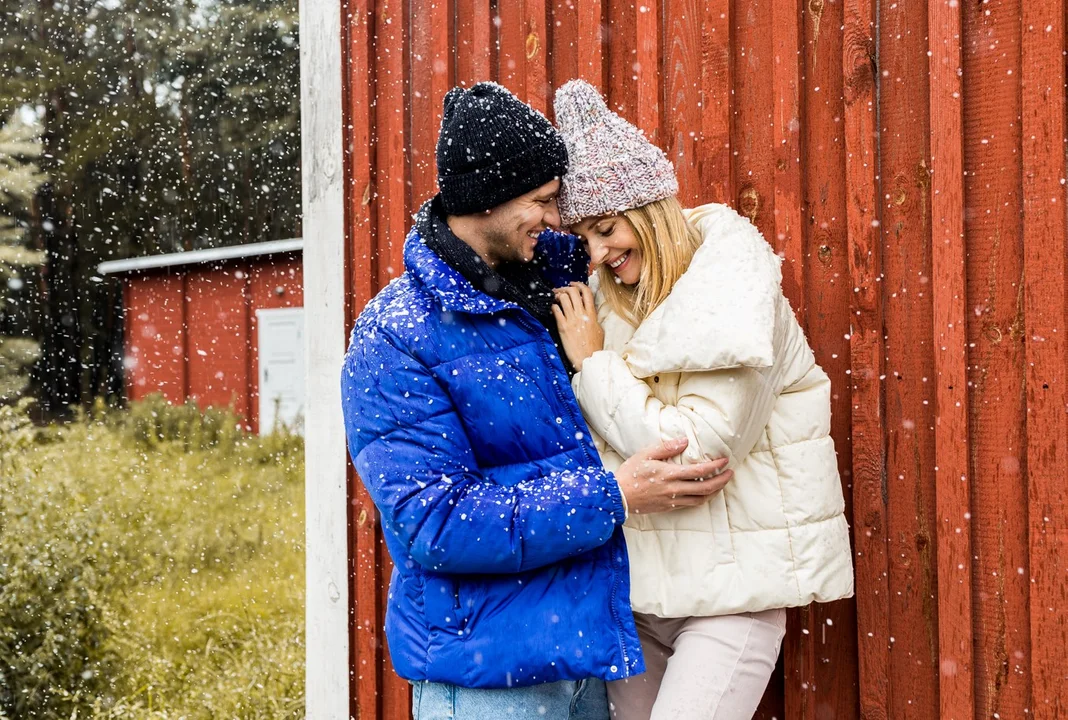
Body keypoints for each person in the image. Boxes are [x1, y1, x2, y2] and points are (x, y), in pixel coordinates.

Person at [340, 81, 733, 720]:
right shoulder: (395, 336)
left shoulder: (557, 277)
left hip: (587, 666)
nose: (557, 220)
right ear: (487, 200)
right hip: (490, 681)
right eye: (544, 202)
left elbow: (651, 230)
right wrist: (616, 494)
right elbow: (438, 524)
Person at [550, 79, 855, 720]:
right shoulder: (609, 302)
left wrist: (593, 364)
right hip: (640, 593)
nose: (599, 255)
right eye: (585, 241)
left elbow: (694, 450)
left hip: (730, 599)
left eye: (606, 229)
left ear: (649, 209)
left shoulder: (734, 292)